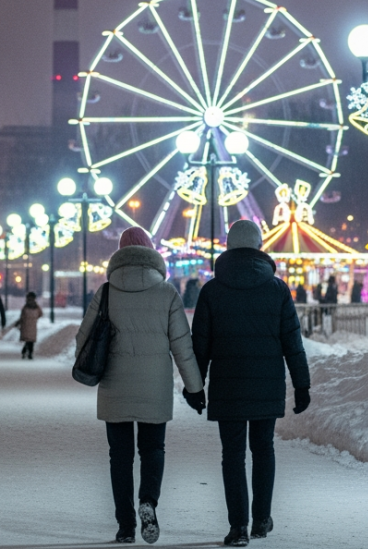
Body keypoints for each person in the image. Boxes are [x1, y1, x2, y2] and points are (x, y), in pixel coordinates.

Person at [76, 227, 204, 545]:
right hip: (154, 388)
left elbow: (83, 338)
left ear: (119, 254)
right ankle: (148, 501)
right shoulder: (167, 293)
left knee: (119, 457)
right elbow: (182, 347)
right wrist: (195, 388)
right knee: (153, 450)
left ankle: (125, 526)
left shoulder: (106, 292)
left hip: (114, 386)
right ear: (151, 253)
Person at [191, 220, 310, 547]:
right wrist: (302, 384)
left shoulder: (212, 290)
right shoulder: (278, 289)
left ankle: (237, 528)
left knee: (232, 455)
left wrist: (194, 386)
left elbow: (199, 344)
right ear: (260, 247)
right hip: (266, 384)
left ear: (228, 247)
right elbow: (292, 341)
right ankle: (261, 519)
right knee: (263, 449)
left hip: (227, 387)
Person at [14, 291, 43, 359]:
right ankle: (30, 353)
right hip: (33, 325)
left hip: (25, 325)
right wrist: (34, 319)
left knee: (27, 340)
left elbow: (22, 316)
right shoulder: (36, 307)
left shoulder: (25, 307)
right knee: (31, 341)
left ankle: (25, 351)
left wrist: (18, 323)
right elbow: (40, 314)